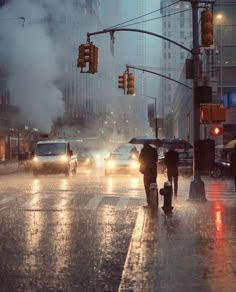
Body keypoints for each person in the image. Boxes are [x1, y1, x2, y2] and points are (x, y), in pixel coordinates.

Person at [138, 143, 158, 207]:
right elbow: (156, 159)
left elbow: (140, 160)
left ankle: (149, 202)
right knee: (154, 185)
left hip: (146, 171)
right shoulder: (154, 150)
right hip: (153, 171)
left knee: (147, 187)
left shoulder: (143, 151)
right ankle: (155, 202)